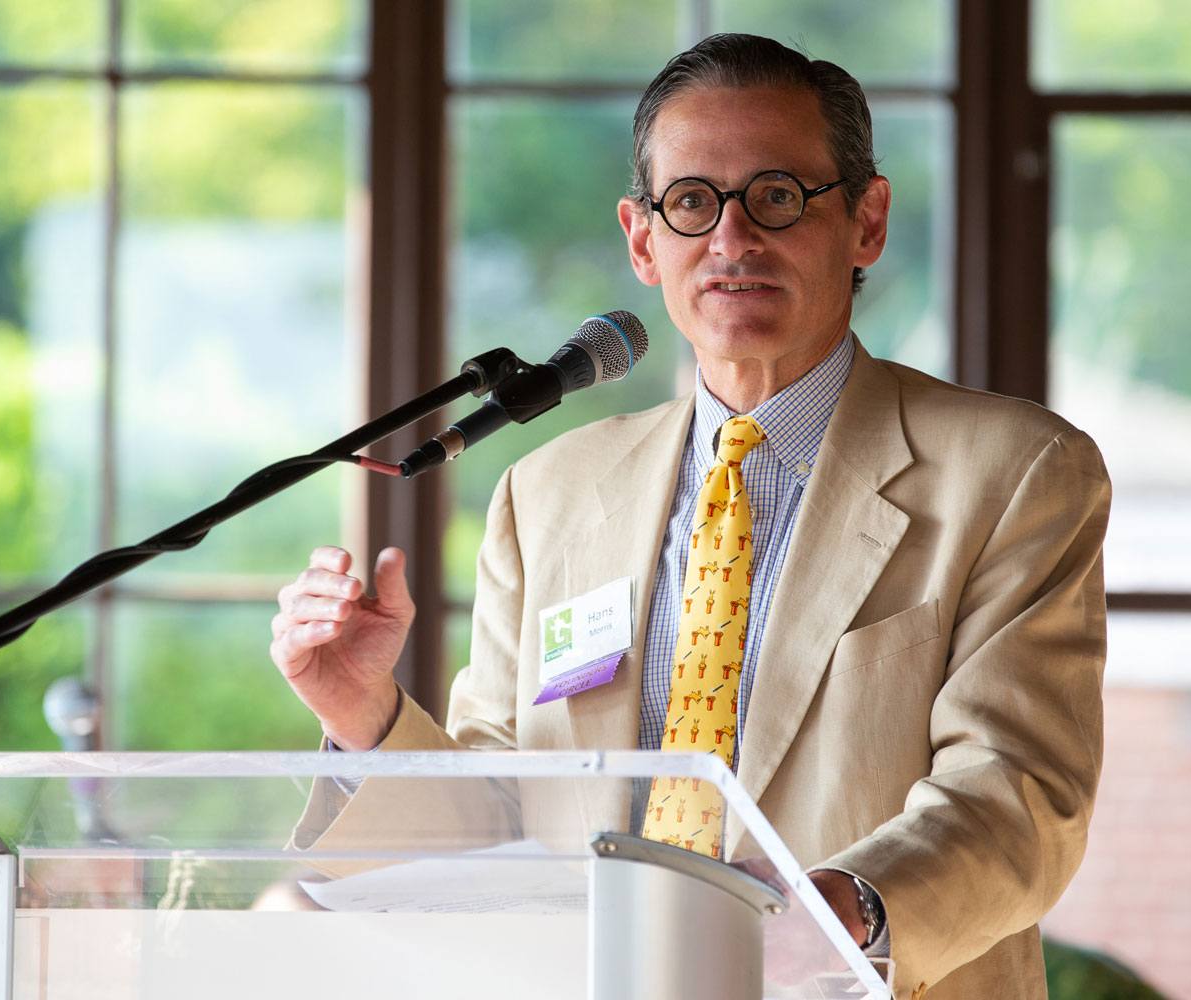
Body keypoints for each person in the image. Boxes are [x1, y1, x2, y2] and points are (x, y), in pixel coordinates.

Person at [270, 33, 1110, 1000]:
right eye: (692, 203)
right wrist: (359, 712)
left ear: (866, 221)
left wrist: (839, 913)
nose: (733, 239)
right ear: (642, 239)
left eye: (779, 196)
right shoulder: (547, 494)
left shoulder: (1013, 473)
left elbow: (1017, 792)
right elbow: (504, 811)